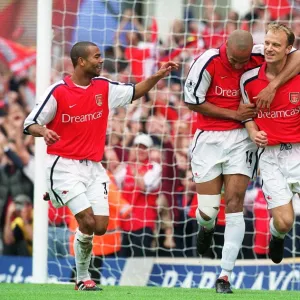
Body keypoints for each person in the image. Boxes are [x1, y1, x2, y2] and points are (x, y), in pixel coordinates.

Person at [23, 41, 178, 291]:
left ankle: (55, 194)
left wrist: (158, 75)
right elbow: (29, 123)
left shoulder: (104, 87)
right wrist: (43, 130)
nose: (101, 60)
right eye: (96, 57)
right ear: (81, 61)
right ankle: (83, 278)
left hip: (94, 168)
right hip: (63, 165)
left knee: (101, 226)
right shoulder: (58, 91)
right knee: (86, 221)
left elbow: (135, 91)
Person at [184, 29, 300, 293]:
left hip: (241, 140)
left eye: (243, 60)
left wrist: (272, 85)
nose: (238, 66)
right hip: (210, 137)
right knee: (208, 211)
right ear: (226, 48)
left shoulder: (259, 55)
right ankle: (206, 227)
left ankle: (224, 276)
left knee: (235, 202)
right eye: (235, 61)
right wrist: (235, 114)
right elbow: (192, 102)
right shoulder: (207, 61)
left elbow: (297, 56)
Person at [240, 23, 300, 265]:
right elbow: (245, 114)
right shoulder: (248, 79)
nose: (269, 48)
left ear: (289, 49)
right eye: (267, 43)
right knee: (285, 221)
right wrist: (253, 132)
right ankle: (277, 236)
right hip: (270, 156)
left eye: (276, 44)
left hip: (297, 150)